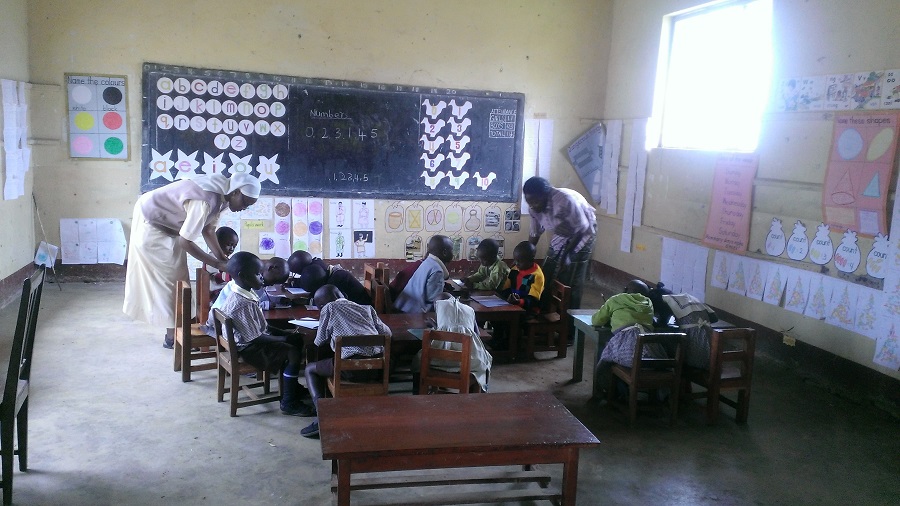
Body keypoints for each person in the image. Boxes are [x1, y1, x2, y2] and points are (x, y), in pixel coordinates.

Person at [123, 173, 260, 349]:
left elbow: (208, 229)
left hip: (170, 228)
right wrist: (218, 264)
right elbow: (185, 242)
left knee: (179, 280)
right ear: (235, 193)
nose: (245, 208)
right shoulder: (206, 200)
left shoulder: (223, 195)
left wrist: (222, 259)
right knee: (172, 284)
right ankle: (173, 337)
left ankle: (176, 333)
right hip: (152, 225)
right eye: (245, 202)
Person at [215, 252, 312, 416]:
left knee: (295, 341)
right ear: (244, 276)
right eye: (258, 274)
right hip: (247, 349)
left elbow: (261, 326)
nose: (262, 277)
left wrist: (284, 334)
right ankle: (289, 402)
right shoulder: (242, 303)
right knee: (292, 351)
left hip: (248, 341)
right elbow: (256, 337)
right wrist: (285, 337)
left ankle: (292, 387)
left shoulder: (244, 293)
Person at [301, 284, 391, 438]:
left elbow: (319, 341)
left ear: (321, 306)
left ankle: (322, 414)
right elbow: (387, 333)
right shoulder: (367, 308)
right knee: (330, 363)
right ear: (344, 296)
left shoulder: (329, 309)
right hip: (376, 369)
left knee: (310, 368)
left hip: (350, 370)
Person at [523, 176, 597, 313]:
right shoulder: (533, 208)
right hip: (563, 231)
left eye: (535, 201)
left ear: (545, 195)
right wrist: (525, 255)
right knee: (546, 274)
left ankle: (569, 325)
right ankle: (543, 313)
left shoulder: (564, 201)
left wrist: (567, 255)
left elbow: (582, 228)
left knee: (569, 280)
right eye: (529, 202)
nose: (532, 205)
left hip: (583, 231)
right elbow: (535, 233)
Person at [592, 280, 667, 392]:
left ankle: (604, 392)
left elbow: (596, 321)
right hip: (649, 349)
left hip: (626, 348)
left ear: (625, 290)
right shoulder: (648, 303)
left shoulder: (615, 299)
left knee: (605, 359)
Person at [412, 293, 492, 394]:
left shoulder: (440, 305)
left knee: (418, 359)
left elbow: (444, 330)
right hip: (470, 363)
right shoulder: (469, 310)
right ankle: (475, 396)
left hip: (440, 361)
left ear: (438, 302)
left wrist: (433, 324)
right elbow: (477, 334)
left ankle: (417, 394)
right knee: (486, 359)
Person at [202, 256, 289, 336]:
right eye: (273, 281)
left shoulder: (249, 281)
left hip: (220, 320)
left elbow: (259, 298)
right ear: (271, 268)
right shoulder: (247, 286)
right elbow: (250, 304)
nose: (271, 284)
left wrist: (279, 300)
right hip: (220, 326)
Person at [393, 235, 454, 313]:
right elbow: (435, 302)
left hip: (403, 307)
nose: (453, 254)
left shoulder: (428, 262)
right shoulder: (437, 270)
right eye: (452, 250)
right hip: (413, 314)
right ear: (445, 252)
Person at [286, 250, 371, 305]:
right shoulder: (322, 267)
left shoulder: (337, 281)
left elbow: (329, 304)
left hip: (360, 312)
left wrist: (302, 301)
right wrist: (295, 282)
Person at [662, 292, 718, 369]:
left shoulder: (667, 300)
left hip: (694, 356)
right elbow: (715, 318)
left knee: (667, 347)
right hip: (712, 355)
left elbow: (663, 322)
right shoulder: (693, 299)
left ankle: (675, 375)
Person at [500, 241, 544, 314]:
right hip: (512, 306)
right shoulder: (514, 270)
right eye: (515, 260)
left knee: (505, 321)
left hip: (529, 309)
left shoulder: (537, 275)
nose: (516, 263)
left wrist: (519, 302)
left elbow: (533, 300)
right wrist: (507, 297)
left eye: (520, 261)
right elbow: (506, 288)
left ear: (531, 260)